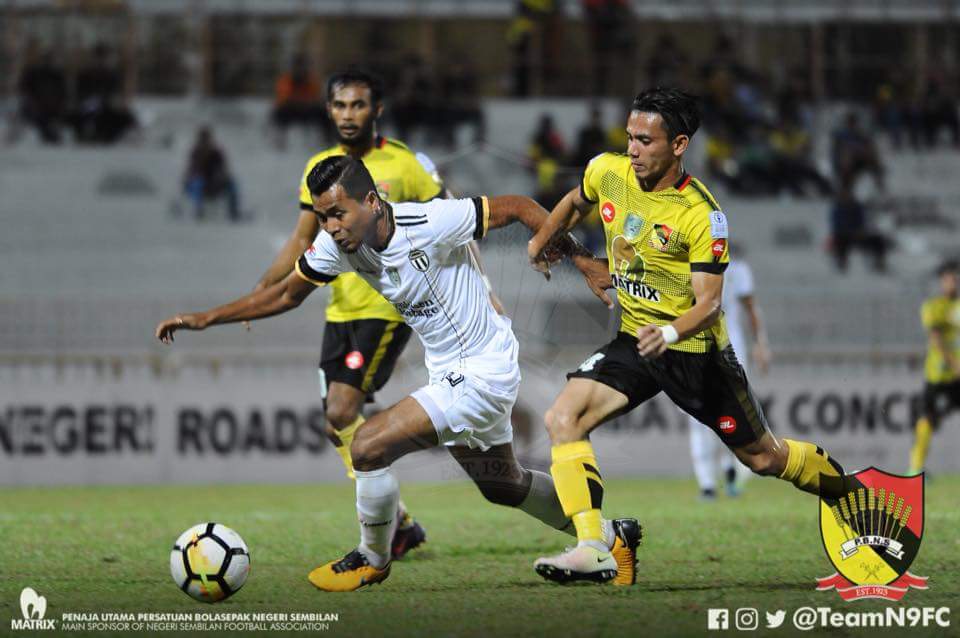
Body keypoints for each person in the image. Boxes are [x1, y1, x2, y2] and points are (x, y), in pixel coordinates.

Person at [155, 156, 641, 591]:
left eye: (338, 213)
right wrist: (206, 318)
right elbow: (286, 294)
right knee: (503, 485)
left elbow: (516, 206)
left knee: (367, 445)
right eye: (323, 217)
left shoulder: (427, 222)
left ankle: (372, 559)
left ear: (371, 201)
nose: (331, 227)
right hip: (451, 371)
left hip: (483, 370)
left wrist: (581, 260)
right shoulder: (339, 246)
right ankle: (608, 536)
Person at [526, 87, 850, 584]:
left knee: (763, 457)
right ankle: (595, 546)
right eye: (630, 137)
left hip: (696, 354)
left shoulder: (701, 214)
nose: (632, 149)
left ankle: (851, 495)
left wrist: (670, 332)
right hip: (636, 339)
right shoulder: (607, 171)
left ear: (679, 144)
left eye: (646, 141)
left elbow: (710, 303)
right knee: (563, 417)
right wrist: (542, 241)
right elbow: (574, 202)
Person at [252, 69, 444, 559]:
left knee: (341, 410)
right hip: (340, 309)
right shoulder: (319, 168)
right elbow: (302, 239)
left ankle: (387, 525)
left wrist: (481, 289)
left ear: (376, 109)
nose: (348, 114)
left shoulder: (405, 164)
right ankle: (401, 524)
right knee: (336, 422)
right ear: (328, 110)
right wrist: (265, 289)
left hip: (386, 305)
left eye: (358, 105)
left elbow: (450, 224)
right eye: (340, 105)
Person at [687, 245, 770, 500]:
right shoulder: (683, 266)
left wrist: (761, 343)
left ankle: (729, 470)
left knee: (732, 411)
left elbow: (751, 308)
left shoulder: (737, 268)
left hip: (730, 349)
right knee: (697, 414)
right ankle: (707, 483)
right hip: (694, 348)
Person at [908, 260, 960, 476]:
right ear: (942, 281)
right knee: (927, 420)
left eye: (956, 278)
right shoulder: (933, 306)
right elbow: (936, 339)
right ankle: (915, 468)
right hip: (939, 376)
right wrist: (955, 364)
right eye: (950, 278)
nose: (954, 282)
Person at [183, 126, 240, 221]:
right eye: (203, 139)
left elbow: (223, 169)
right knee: (197, 183)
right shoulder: (196, 153)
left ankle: (233, 212)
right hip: (200, 185)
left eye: (206, 139)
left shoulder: (216, 153)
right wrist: (189, 179)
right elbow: (190, 171)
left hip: (214, 184)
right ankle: (198, 211)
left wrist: (222, 177)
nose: (205, 141)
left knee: (232, 184)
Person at [271, 54, 328, 149]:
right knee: (279, 112)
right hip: (290, 110)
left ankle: (326, 140)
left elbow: (317, 98)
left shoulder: (311, 80)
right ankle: (279, 140)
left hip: (307, 110)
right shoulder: (286, 80)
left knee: (324, 112)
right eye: (298, 66)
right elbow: (282, 99)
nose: (300, 69)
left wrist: (307, 103)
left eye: (302, 66)